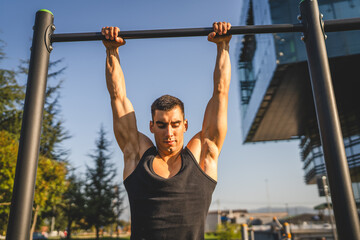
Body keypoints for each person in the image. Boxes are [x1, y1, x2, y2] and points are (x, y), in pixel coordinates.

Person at [102, 21, 232, 240]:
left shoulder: (203, 155)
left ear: (185, 125)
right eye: (161, 125)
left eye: (175, 124)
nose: (168, 133)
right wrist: (111, 50)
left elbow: (221, 92)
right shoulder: (136, 156)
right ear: (151, 126)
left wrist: (223, 46)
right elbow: (117, 96)